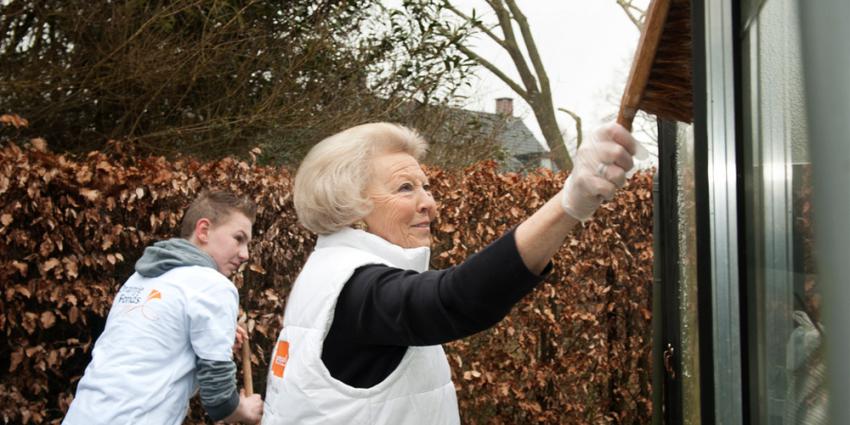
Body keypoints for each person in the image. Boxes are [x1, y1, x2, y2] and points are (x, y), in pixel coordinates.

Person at [261, 122, 638, 424]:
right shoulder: (359, 290)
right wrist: (569, 202)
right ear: (350, 205)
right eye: (406, 188)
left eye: (426, 186)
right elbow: (455, 300)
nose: (429, 203)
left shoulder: (327, 273)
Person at [63, 191, 264, 424]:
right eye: (239, 239)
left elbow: (156, 359)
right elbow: (219, 401)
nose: (245, 254)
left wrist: (219, 338)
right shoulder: (215, 285)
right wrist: (245, 410)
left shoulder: (139, 279)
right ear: (204, 231)